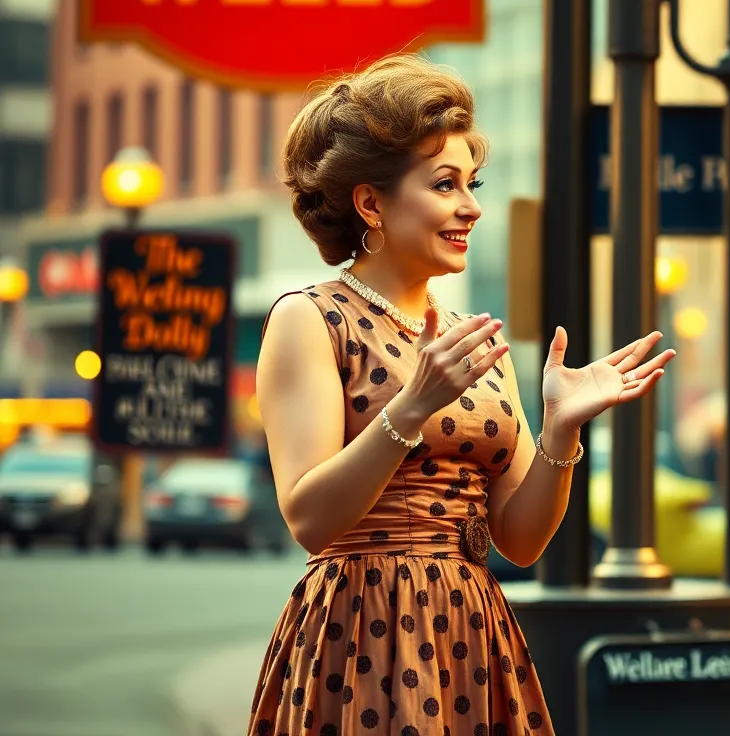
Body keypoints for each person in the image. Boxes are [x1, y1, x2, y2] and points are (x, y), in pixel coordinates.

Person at [246, 54, 674, 736]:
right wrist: (411, 407)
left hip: (472, 630)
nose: (471, 207)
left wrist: (561, 432)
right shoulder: (310, 318)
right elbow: (309, 519)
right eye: (445, 185)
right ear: (371, 203)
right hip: (360, 629)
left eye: (472, 184)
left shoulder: (470, 342)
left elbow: (521, 540)